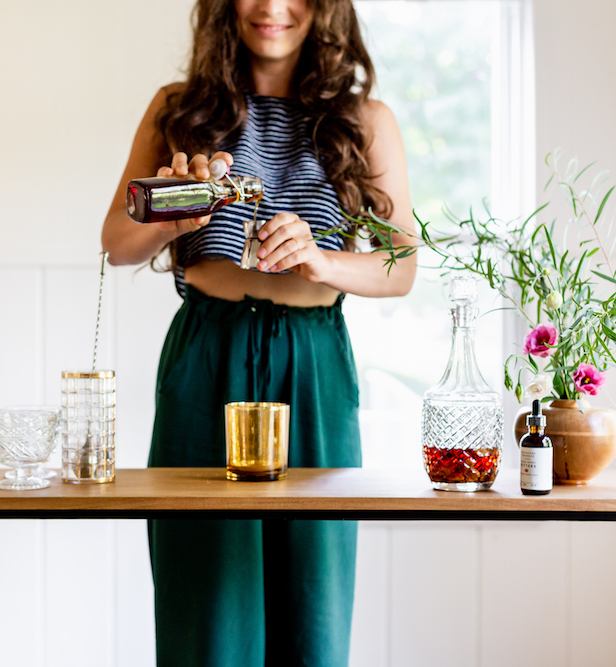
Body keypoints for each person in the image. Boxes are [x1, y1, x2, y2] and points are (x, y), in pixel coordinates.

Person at [101, 0, 415, 664]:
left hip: (315, 360)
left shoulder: (365, 120)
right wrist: (176, 212)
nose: (272, 7)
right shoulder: (177, 108)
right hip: (207, 353)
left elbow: (402, 266)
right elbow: (117, 242)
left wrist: (322, 258)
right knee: (205, 605)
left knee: (314, 603)